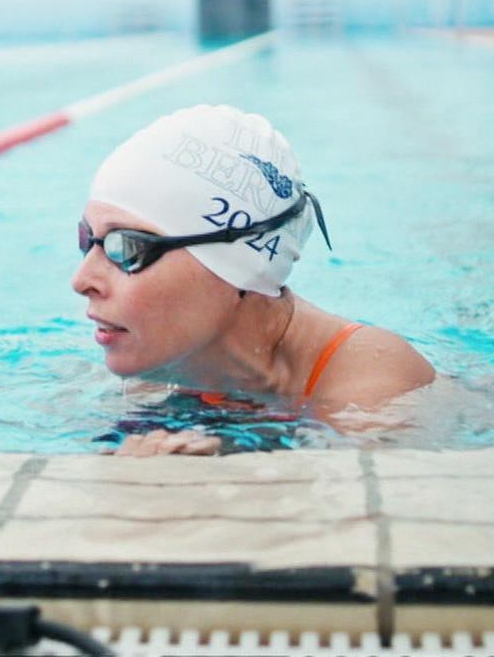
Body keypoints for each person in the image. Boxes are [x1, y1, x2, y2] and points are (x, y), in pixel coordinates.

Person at [73, 104, 434, 456]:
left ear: (239, 265)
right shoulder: (151, 370)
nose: (82, 279)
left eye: (128, 248)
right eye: (88, 240)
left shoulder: (375, 384)